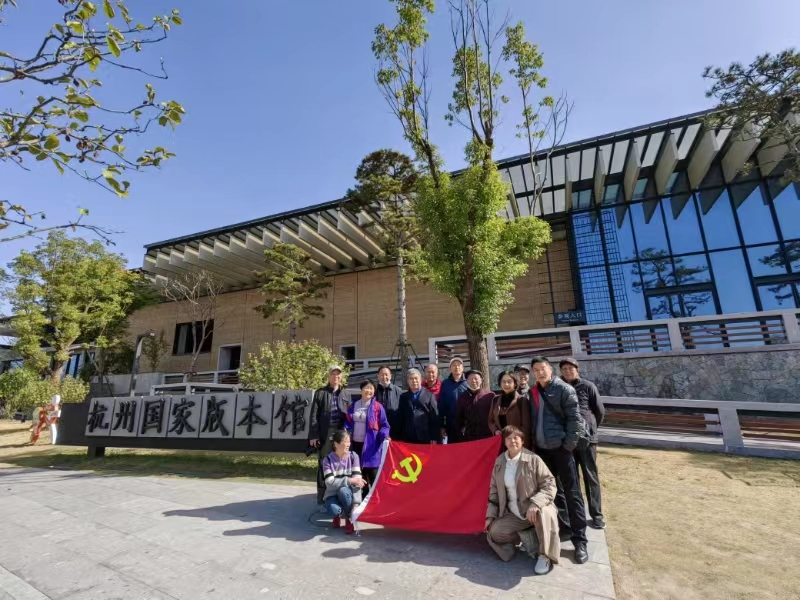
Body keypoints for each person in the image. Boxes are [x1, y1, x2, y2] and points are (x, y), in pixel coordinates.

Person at [529, 356, 589, 564]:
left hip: (562, 449)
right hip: (543, 451)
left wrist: (568, 447)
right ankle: (564, 528)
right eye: (536, 370)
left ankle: (580, 541)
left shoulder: (564, 389)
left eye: (542, 368)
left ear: (550, 369)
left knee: (573, 493)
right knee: (553, 494)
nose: (540, 373)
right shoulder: (533, 392)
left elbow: (575, 420)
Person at [485, 425, 560, 575]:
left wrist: (536, 503)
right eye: (508, 438)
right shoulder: (499, 462)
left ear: (522, 440)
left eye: (516, 438)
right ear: (504, 442)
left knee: (544, 513)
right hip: (515, 514)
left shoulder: (534, 459)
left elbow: (550, 484)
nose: (512, 441)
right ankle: (528, 537)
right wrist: (490, 516)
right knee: (495, 532)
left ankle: (544, 555)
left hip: (536, 510)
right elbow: (494, 492)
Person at [559, 357, 606, 529]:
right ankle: (576, 514)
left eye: (570, 368)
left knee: (590, 476)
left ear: (577, 369)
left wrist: (591, 428)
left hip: (587, 441)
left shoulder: (588, 386)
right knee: (572, 478)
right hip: (568, 440)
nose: (567, 371)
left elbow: (599, 411)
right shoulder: (560, 388)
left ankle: (596, 514)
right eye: (564, 369)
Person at [309, 366, 352, 505]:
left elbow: (349, 415)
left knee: (340, 462)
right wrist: (313, 435)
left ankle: (338, 495)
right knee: (324, 462)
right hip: (325, 432)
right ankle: (322, 496)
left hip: (341, 432)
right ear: (329, 376)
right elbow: (314, 415)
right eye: (333, 374)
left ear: (341, 377)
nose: (336, 377)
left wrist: (348, 433)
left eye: (338, 374)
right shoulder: (321, 393)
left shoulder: (345, 393)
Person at [344, 379, 390, 486]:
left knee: (374, 476)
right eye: (366, 388)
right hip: (355, 445)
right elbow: (348, 421)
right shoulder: (353, 406)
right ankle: (362, 495)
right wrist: (346, 430)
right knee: (359, 474)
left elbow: (384, 425)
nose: (368, 391)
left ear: (374, 391)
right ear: (361, 390)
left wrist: (385, 435)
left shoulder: (378, 407)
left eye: (371, 388)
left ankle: (374, 496)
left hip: (372, 447)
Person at [322, 430, 366, 534]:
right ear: (336, 444)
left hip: (347, 494)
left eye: (349, 441)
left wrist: (356, 504)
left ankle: (349, 519)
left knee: (343, 491)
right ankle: (339, 515)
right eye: (345, 441)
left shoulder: (354, 457)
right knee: (333, 509)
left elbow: (357, 482)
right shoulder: (327, 460)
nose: (348, 444)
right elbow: (329, 483)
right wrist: (349, 480)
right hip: (332, 494)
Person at [489, 371, 532, 449]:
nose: (506, 384)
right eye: (503, 381)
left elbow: (526, 426)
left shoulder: (521, 400)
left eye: (509, 381)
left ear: (515, 383)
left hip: (516, 443)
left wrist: (522, 444)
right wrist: (495, 430)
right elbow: (491, 420)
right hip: (501, 443)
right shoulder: (495, 399)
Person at [398, 368, 440, 444]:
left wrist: (434, 436)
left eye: (416, 378)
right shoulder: (403, 397)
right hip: (409, 438)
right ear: (408, 381)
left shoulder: (429, 395)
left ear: (420, 379)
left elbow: (434, 418)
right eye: (411, 379)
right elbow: (401, 418)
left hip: (426, 437)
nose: (414, 381)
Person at [455, 370, 494, 443]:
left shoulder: (490, 395)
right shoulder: (462, 397)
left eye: (476, 378)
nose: (473, 381)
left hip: (487, 436)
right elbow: (459, 418)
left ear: (481, 380)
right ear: (467, 381)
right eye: (470, 379)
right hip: (469, 436)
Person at [438, 356, 468, 443]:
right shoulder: (445, 384)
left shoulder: (468, 382)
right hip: (450, 424)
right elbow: (441, 406)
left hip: (466, 425)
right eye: (454, 365)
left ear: (463, 368)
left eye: (459, 365)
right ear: (450, 368)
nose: (456, 367)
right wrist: (442, 426)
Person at [375, 366, 403, 440]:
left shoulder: (398, 391)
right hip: (377, 430)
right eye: (382, 375)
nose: (384, 377)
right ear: (378, 376)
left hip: (395, 431)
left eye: (386, 374)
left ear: (390, 376)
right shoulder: (374, 391)